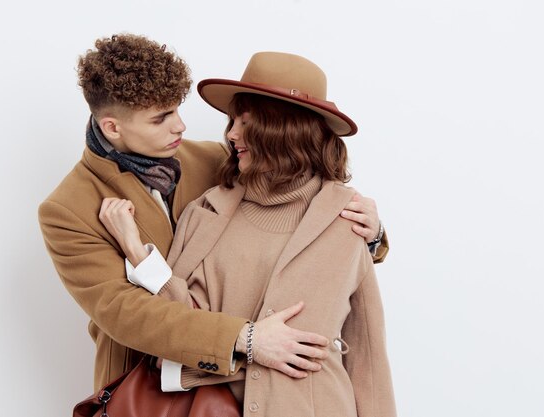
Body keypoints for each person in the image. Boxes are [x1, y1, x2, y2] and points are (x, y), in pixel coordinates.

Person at [39, 33, 388, 393]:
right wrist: (245, 338)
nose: (180, 127)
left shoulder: (216, 160)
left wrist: (371, 233)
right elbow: (126, 313)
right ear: (113, 127)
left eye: (176, 109)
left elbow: (298, 205)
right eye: (160, 119)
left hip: (241, 384)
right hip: (142, 384)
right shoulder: (67, 209)